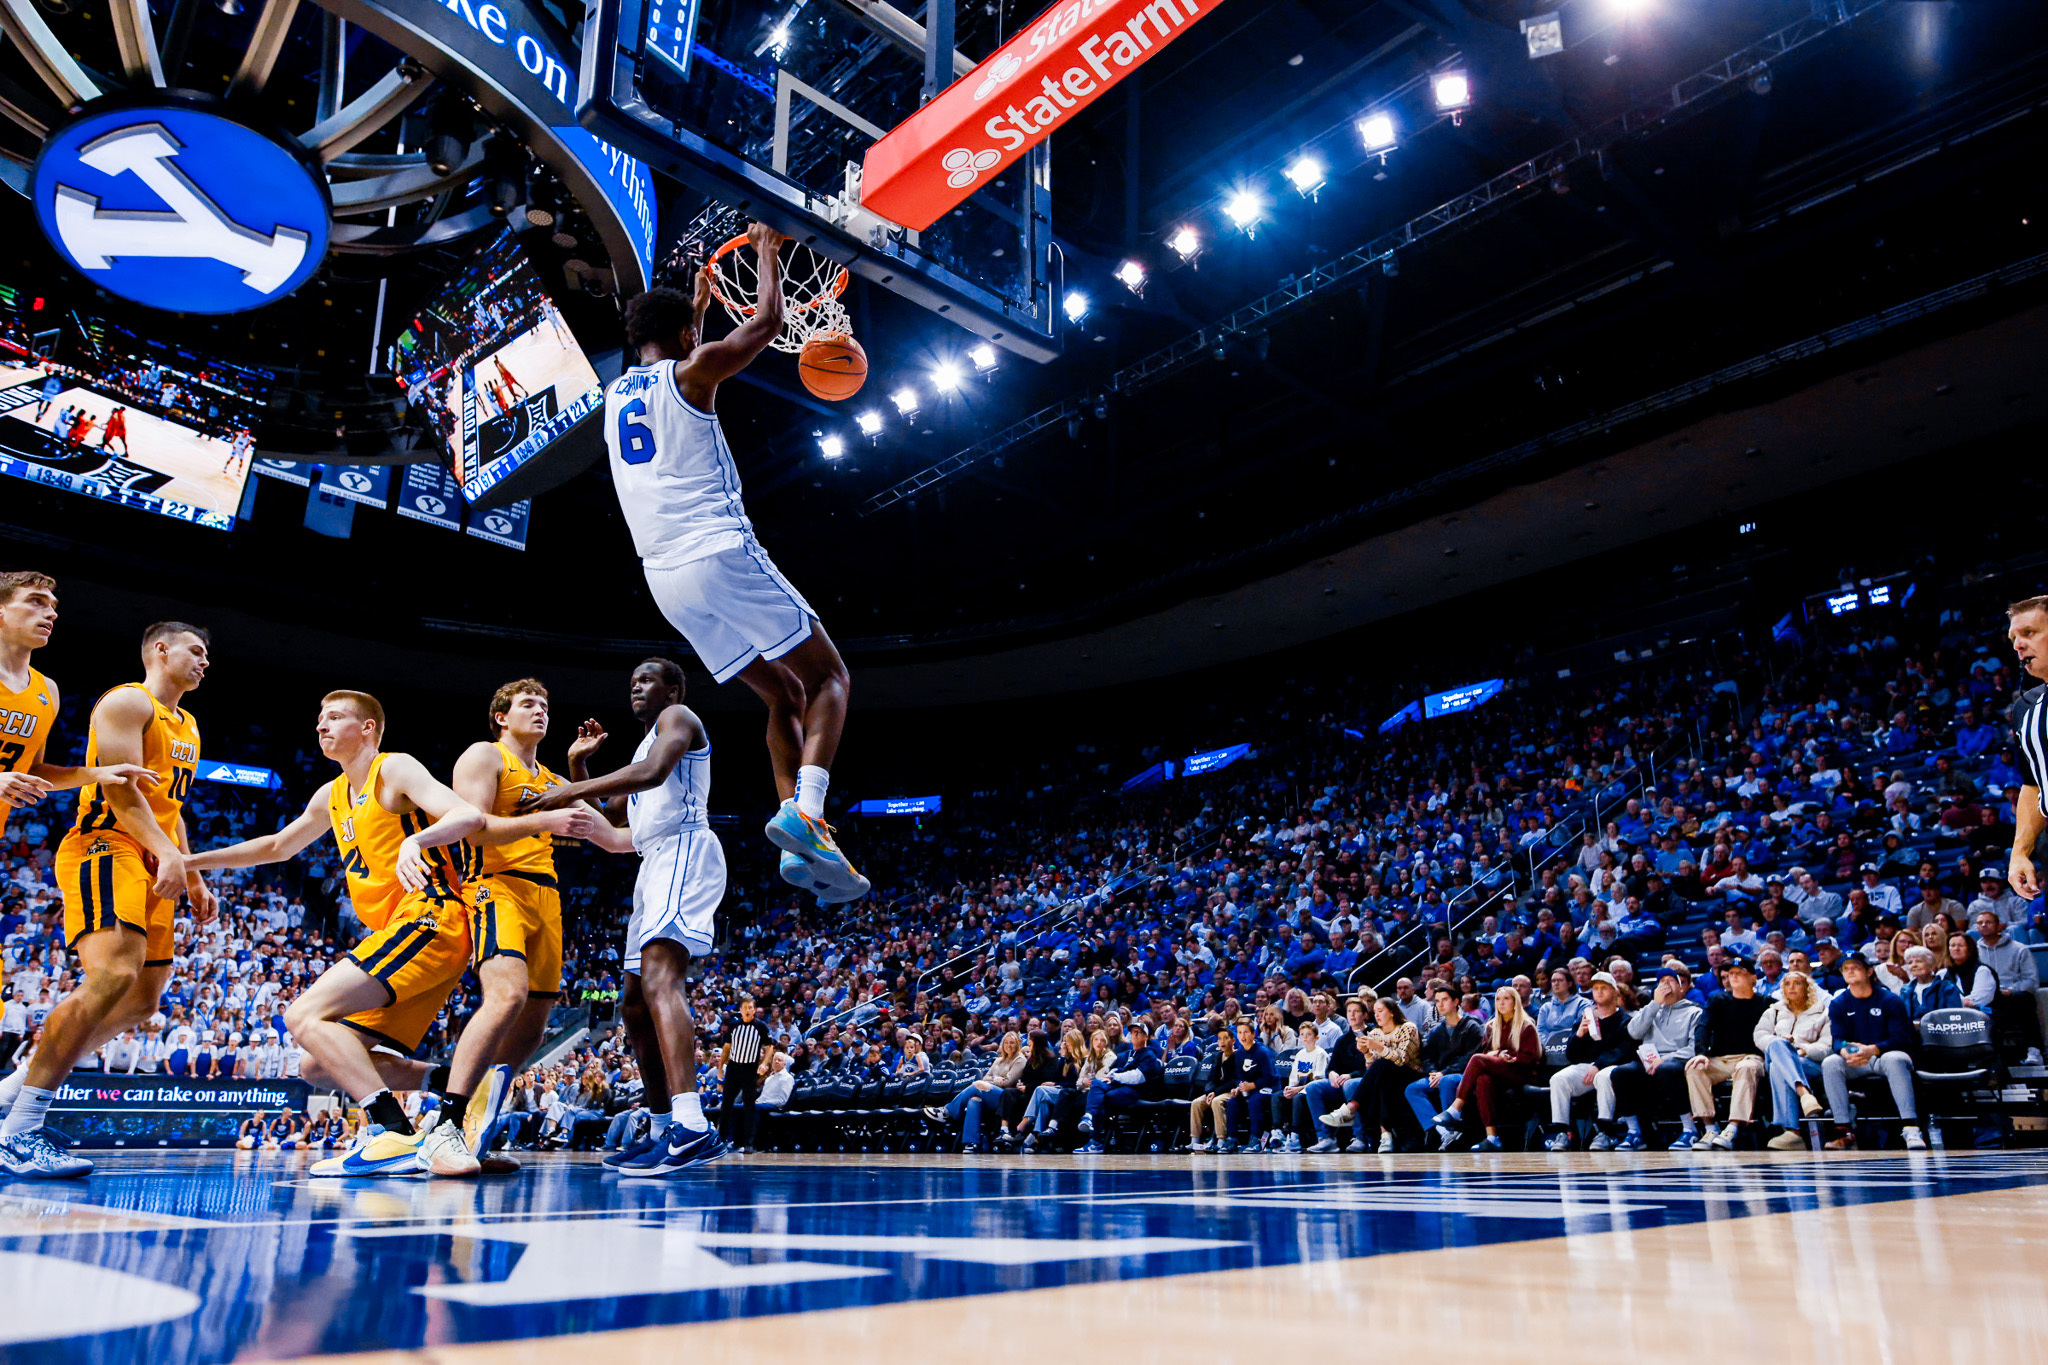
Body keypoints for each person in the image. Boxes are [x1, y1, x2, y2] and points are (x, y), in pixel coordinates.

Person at [603, 225, 866, 904]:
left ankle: (805, 843)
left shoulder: (616, 397)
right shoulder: (696, 370)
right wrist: (770, 254)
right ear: (689, 339)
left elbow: (678, 350)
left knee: (783, 694)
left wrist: (695, 305)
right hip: (717, 549)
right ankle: (808, 810)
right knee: (828, 674)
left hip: (663, 578)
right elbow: (772, 320)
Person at [185, 690, 509, 1177]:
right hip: (405, 931)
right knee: (317, 1065)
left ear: (369, 730)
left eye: (335, 717)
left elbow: (468, 815)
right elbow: (277, 845)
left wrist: (417, 841)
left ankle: (390, 1131)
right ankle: (461, 1086)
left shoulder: (393, 768)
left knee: (303, 1015)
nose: (322, 726)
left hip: (432, 918)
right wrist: (191, 861)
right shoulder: (332, 794)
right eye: (319, 718)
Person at [0, 620, 210, 1179]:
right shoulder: (126, 701)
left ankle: (11, 1094)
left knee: (142, 1001)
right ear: (160, 651)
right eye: (195, 650)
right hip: (106, 843)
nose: (204, 660)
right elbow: (120, 794)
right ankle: (20, 1131)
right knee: (111, 976)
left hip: (156, 855)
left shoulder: (187, 724)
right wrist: (167, 854)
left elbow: (173, 806)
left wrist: (190, 873)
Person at [521, 659, 729, 1176]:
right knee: (633, 1003)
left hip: (684, 850)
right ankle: (661, 1128)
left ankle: (693, 1125)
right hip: (652, 860)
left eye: (647, 679)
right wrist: (577, 767)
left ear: (673, 688)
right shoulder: (641, 749)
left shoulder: (678, 719)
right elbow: (613, 826)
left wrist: (568, 791)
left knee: (661, 979)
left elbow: (654, 773)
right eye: (631, 680)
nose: (636, 687)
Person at [449, 678, 631, 1172]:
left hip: (545, 898)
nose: (540, 711)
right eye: (528, 703)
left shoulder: (551, 779)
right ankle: (445, 1122)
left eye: (546, 704)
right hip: (495, 884)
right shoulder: (484, 757)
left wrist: (578, 767)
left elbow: (615, 839)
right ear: (501, 717)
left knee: (531, 1030)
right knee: (505, 998)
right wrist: (543, 823)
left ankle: (476, 1136)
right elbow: (471, 825)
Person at [0, 572, 158, 840]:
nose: (51, 613)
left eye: (52, 606)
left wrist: (98, 773)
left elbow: (33, 770)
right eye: (36, 601)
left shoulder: (47, 690)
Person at [1821, 952, 1926, 1150]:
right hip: (1858, 1059)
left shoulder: (1890, 1000)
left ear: (1869, 971)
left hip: (1885, 1056)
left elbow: (1901, 1038)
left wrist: (1874, 1049)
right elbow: (1837, 1039)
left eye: (1855, 967)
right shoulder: (1839, 1003)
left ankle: (1911, 1128)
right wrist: (1847, 1051)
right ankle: (1843, 1130)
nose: (1850, 971)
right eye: (1846, 969)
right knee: (1831, 1062)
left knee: (1894, 1059)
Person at [1431, 984, 1541, 1152]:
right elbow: (1486, 1053)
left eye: (1506, 999)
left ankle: (1456, 1107)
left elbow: (1531, 1057)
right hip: (1500, 1072)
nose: (1501, 1003)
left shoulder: (1526, 1026)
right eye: (1498, 999)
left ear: (1515, 1002)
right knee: (1483, 1080)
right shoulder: (1491, 1026)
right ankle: (1492, 1137)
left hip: (1521, 1072)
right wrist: (1497, 1054)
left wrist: (1508, 1055)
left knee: (1476, 1059)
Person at [1607, 965, 1704, 1151]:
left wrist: (1664, 1060)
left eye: (1670, 981)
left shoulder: (1695, 1012)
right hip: (1649, 1062)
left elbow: (1694, 1048)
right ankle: (1635, 1132)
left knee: (1666, 1069)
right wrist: (1654, 1004)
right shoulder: (1651, 1010)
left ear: (1681, 987)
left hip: (1677, 1062)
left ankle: (1690, 1129)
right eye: (1661, 982)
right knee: (1621, 1073)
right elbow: (1634, 1033)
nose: (1665, 986)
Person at [1683, 956, 1771, 1150]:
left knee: (1746, 1067)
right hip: (1720, 1059)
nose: (1734, 977)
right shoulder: (1717, 999)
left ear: (1753, 978)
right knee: (1695, 1068)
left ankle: (1733, 1127)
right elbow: (1703, 1026)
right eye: (1731, 974)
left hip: (1751, 1057)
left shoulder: (1767, 1003)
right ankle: (1710, 1128)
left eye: (1740, 973)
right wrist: (1701, 1053)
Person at [1544, 972, 1636, 1151]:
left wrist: (1598, 1064)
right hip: (1587, 1067)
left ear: (1615, 992)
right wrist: (1579, 1035)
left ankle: (1605, 1132)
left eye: (1604, 988)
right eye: (1595, 989)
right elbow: (1572, 1056)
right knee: (1558, 1079)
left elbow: (1623, 1051)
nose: (1599, 992)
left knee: (1603, 1076)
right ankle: (1562, 1132)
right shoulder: (1584, 1019)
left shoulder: (1625, 1020)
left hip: (1612, 1067)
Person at [1756, 969, 1832, 1149]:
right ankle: (1805, 1094)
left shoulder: (1823, 1012)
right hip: (1777, 1055)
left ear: (1807, 988)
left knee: (1777, 1067)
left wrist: (1802, 1049)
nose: (1792, 987)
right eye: (1787, 984)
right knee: (1776, 1045)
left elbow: (1827, 1046)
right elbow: (1759, 1036)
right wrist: (1781, 1044)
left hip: (1808, 1062)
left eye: (1797, 983)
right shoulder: (1773, 1011)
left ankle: (1793, 1132)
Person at [1405, 983, 1481, 1145]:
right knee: (1412, 1089)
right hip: (1440, 1074)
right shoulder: (1437, 1031)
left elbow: (1470, 1057)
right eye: (1437, 1001)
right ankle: (1442, 1131)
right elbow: (1427, 1057)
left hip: (1464, 1075)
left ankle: (1454, 1129)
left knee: (1447, 1081)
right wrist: (1432, 1072)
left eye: (1444, 1000)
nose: (1440, 1004)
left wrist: (1444, 1072)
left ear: (1456, 1002)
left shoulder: (1471, 1026)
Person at [924, 1030, 1025, 1152]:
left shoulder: (1020, 1060)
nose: (1009, 1045)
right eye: (1006, 1043)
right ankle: (971, 1143)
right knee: (974, 1100)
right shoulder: (999, 1060)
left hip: (1006, 1098)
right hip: (992, 1091)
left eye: (1012, 1043)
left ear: (1017, 1044)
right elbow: (986, 1077)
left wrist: (993, 1080)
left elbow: (1008, 1082)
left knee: (977, 1084)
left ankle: (947, 1111)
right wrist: (996, 1079)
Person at [1076, 1019, 1163, 1154]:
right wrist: (1111, 1076)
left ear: (1146, 1036)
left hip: (1137, 1092)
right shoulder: (1124, 1055)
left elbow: (1137, 1077)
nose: (1135, 1035)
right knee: (1097, 1084)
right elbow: (1111, 1071)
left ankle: (1096, 1140)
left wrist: (1115, 1077)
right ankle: (1088, 1117)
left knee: (1105, 1097)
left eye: (1139, 1033)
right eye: (1133, 1032)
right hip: (1120, 1088)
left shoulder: (1149, 1055)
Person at [1970, 909, 2043, 1063]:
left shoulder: (2019, 949)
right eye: (1980, 923)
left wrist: (2010, 990)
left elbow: (2031, 980)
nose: (1984, 925)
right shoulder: (1973, 953)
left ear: (1999, 926)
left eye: (1988, 922)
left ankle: (2034, 1050)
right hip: (1985, 999)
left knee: (2024, 998)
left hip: (2010, 998)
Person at [718, 996, 772, 1153]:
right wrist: (721, 1067)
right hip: (733, 1068)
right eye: (745, 1007)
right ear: (740, 1010)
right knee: (726, 1105)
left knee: (749, 1106)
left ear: (754, 1010)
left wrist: (764, 1063)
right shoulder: (733, 1025)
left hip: (750, 1069)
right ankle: (721, 1140)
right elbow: (727, 1048)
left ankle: (749, 1143)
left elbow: (769, 1047)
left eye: (751, 1007)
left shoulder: (761, 1026)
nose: (748, 1010)